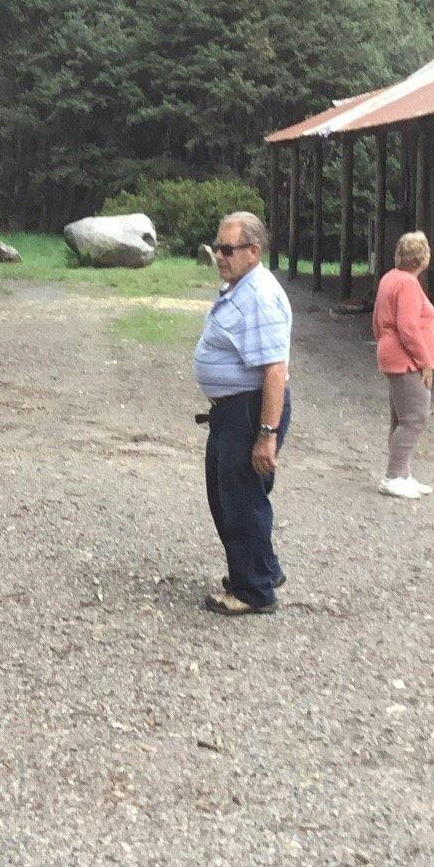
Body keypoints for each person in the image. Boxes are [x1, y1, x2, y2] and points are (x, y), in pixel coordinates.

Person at [192, 212, 291, 617]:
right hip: (233, 411)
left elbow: (275, 370)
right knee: (227, 494)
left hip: (249, 411)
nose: (219, 255)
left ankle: (253, 591)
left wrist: (266, 433)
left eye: (228, 248)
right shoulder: (240, 287)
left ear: (254, 251)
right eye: (217, 246)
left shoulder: (260, 295)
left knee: (240, 500)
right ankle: (263, 569)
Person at [372, 230, 434, 499]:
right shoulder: (409, 284)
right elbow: (408, 327)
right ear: (423, 259)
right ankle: (393, 476)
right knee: (415, 417)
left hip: (392, 353)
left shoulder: (390, 278)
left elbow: (378, 320)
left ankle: (403, 473)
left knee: (400, 417)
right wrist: (426, 362)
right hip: (406, 359)